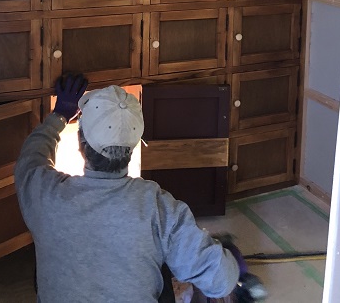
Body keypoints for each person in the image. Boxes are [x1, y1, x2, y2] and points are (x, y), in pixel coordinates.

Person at [14, 74, 242, 303]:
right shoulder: (158, 208)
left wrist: (59, 116)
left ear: (81, 145)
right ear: (133, 149)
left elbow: (30, 158)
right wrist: (223, 254)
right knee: (164, 267)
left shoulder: (45, 193)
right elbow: (221, 281)